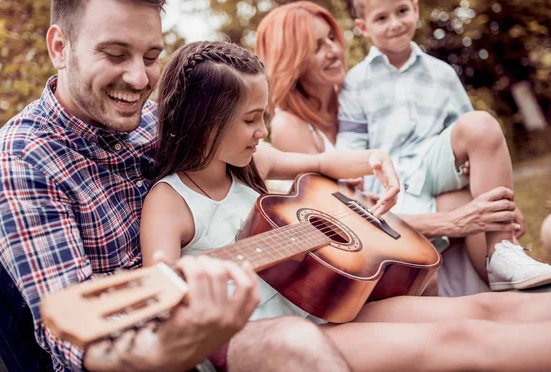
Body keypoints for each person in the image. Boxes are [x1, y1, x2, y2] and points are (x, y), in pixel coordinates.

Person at [0, 0, 353, 371]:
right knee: (295, 344)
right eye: (116, 55)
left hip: (221, 326)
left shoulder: (149, 120)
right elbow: (82, 345)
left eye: (152, 57)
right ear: (60, 48)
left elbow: (235, 157)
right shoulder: (22, 161)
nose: (140, 79)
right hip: (149, 357)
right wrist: (176, 345)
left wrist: (327, 164)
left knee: (414, 321)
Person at [141, 39, 551, 372]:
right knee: (461, 340)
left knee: (482, 308)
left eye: (262, 117)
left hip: (328, 308)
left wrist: (376, 160)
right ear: (206, 121)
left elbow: (322, 163)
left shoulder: (252, 161)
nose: (262, 131)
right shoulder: (170, 201)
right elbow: (160, 300)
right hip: (278, 336)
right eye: (250, 120)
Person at [257, 0, 551, 292]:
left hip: (421, 181)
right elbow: (342, 213)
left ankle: (507, 270)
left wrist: (496, 202)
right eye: (316, 46)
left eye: (331, 38)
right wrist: (458, 217)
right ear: (293, 58)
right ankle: (494, 302)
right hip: (376, 219)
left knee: (464, 186)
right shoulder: (299, 119)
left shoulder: (348, 90)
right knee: (456, 209)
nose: (334, 50)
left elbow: (466, 133)